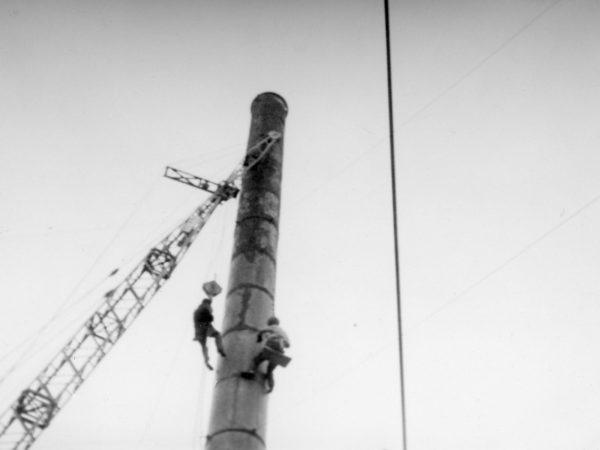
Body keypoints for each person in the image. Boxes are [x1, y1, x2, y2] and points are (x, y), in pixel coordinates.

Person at [242, 317, 290, 393]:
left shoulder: (273, 326)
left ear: (271, 322)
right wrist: (282, 341)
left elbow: (262, 331)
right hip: (280, 352)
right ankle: (271, 386)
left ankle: (251, 372)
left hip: (272, 346)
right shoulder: (283, 332)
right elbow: (288, 345)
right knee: (270, 371)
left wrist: (259, 337)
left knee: (256, 360)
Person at [193, 298, 226, 370]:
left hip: (198, 330)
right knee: (217, 335)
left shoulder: (197, 310)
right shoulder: (205, 306)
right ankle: (220, 349)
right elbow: (209, 315)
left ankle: (206, 361)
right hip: (204, 326)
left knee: (204, 346)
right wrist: (210, 316)